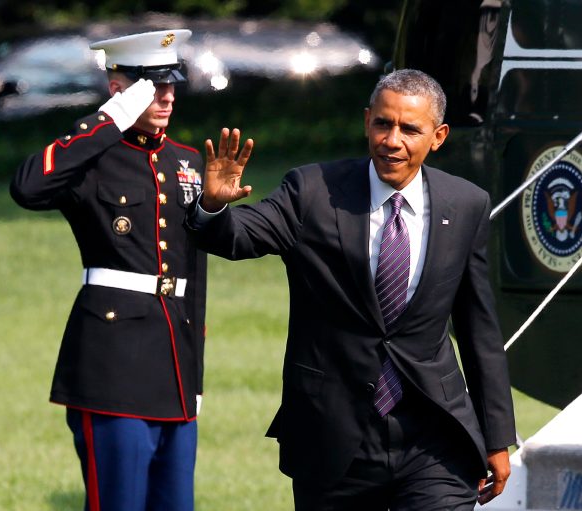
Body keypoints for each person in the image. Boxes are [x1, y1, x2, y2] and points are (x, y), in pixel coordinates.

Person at [186, 68, 516, 510]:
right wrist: (213, 206)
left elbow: (479, 330)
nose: (392, 140)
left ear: (437, 137)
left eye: (409, 129)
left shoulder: (467, 204)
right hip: (334, 438)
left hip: (435, 440)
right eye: (383, 123)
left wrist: (496, 438)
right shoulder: (312, 191)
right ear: (367, 121)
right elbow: (239, 236)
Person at [10, 29, 207, 511]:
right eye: (150, 84)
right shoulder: (91, 158)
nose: (166, 95)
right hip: (112, 363)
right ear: (119, 88)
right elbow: (29, 187)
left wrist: (195, 376)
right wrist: (108, 120)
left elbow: (193, 272)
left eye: (170, 83)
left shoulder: (187, 161)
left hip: (173, 367)